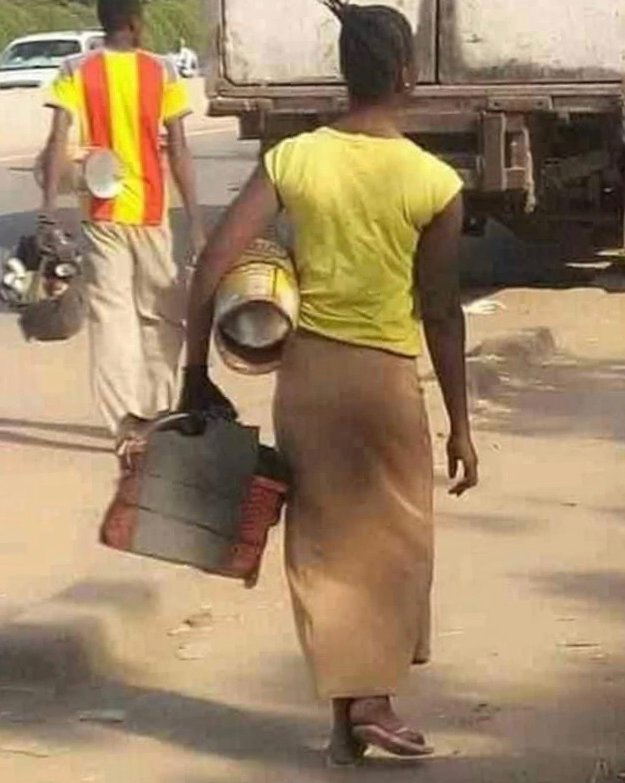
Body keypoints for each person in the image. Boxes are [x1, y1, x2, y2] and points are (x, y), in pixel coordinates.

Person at [180, 0, 479, 764]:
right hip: (383, 377)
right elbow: (441, 313)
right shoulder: (433, 181)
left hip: (307, 377)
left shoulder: (295, 159)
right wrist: (462, 425)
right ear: (408, 74)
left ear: (343, 74)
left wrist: (193, 374)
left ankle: (349, 714)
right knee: (395, 537)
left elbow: (214, 263)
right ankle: (372, 698)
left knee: (323, 542)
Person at [40, 0, 204, 443]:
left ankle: (125, 424)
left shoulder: (75, 67)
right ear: (135, 22)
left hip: (100, 211)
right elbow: (181, 149)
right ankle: (159, 411)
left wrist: (48, 210)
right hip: (151, 213)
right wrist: (195, 218)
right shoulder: (163, 70)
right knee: (164, 316)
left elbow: (58, 140)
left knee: (112, 317)